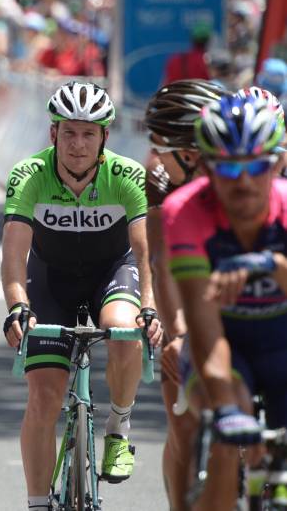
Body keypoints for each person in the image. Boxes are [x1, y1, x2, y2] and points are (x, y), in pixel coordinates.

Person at [1, 81, 163, 511]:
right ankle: (38, 502)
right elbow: (14, 252)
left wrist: (150, 306)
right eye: (69, 132)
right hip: (50, 278)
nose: (77, 144)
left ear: (104, 138)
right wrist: (17, 306)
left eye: (88, 134)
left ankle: (119, 426)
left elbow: (145, 252)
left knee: (125, 330)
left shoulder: (126, 175)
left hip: (112, 271)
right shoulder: (29, 175)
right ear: (53, 134)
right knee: (45, 396)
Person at [163, 93, 287, 511]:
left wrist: (272, 265)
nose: (244, 181)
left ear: (277, 163)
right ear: (206, 168)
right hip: (223, 348)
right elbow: (204, 326)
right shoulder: (184, 212)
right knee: (222, 443)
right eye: (229, 167)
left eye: (256, 166)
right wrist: (226, 407)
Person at [141, 79, 229, 510]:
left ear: (190, 152)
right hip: (188, 284)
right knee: (184, 426)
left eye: (160, 147)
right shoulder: (161, 176)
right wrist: (175, 331)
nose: (153, 158)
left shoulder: (251, 168)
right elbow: (161, 261)